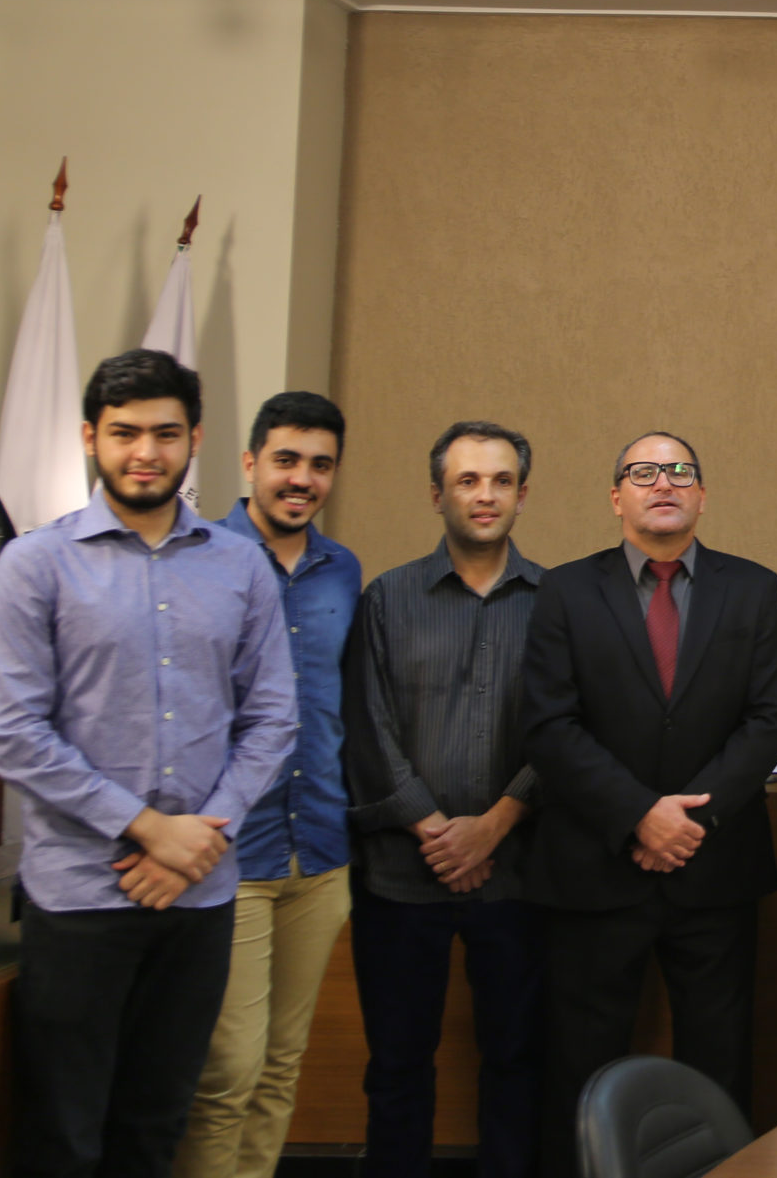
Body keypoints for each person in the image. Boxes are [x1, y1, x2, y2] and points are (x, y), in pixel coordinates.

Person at [0, 349, 298, 1178]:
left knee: (157, 1127)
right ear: (91, 437)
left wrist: (200, 838)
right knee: (63, 1135)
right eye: (123, 433)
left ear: (194, 438)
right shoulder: (34, 564)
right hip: (80, 894)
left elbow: (271, 718)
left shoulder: (240, 566)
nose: (144, 452)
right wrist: (151, 828)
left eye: (164, 432)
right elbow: (11, 731)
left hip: (199, 894)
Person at [521, 433, 777, 1175]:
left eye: (681, 471)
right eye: (643, 472)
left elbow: (768, 720)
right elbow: (548, 722)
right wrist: (640, 813)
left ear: (702, 495)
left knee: (719, 1060)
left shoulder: (753, 587)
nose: (663, 482)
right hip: (594, 869)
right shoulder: (567, 590)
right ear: (617, 497)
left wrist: (689, 822)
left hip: (715, 872)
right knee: (579, 1067)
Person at [342, 422, 546, 1178]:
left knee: (516, 1057)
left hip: (518, 874)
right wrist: (435, 830)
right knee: (397, 1063)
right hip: (402, 874)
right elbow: (366, 724)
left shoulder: (559, 601)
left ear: (522, 494)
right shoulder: (387, 598)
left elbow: (565, 728)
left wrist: (492, 826)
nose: (484, 494)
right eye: (467, 480)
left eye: (499, 480)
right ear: (438, 494)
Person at [176, 392, 363, 1178]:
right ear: (249, 462)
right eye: (286, 459)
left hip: (320, 852)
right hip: (229, 857)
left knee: (282, 1064)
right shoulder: (196, 558)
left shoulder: (341, 569)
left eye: (320, 464)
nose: (302, 478)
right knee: (226, 1074)